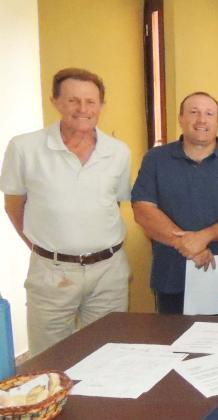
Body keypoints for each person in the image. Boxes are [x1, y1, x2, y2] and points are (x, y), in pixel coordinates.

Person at [0, 68, 132, 355]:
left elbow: (114, 204)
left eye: (90, 101)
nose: (83, 109)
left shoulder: (118, 151)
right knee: (50, 359)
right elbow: (14, 206)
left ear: (101, 106)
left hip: (108, 272)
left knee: (109, 354)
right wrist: (47, 249)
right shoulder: (24, 148)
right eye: (73, 100)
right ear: (55, 102)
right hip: (51, 273)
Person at [132, 92, 218, 314]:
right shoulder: (156, 158)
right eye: (194, 112)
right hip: (172, 276)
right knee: (171, 342)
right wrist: (187, 246)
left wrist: (204, 237)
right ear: (180, 118)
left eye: (209, 114)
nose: (202, 120)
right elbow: (143, 210)